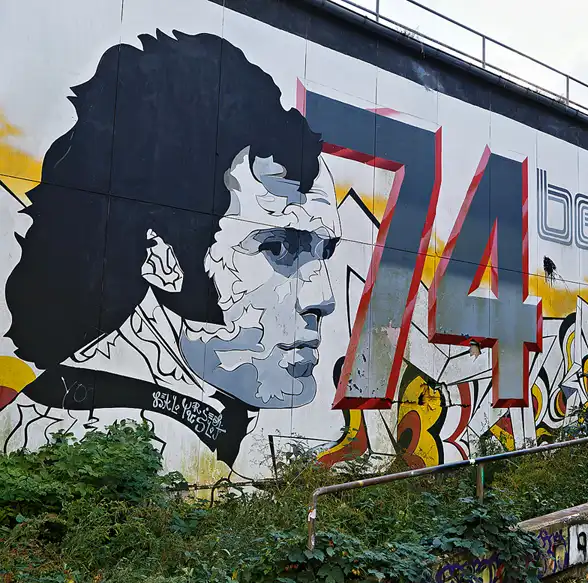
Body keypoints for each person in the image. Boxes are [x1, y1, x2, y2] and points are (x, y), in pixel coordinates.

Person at [4, 31, 341, 466]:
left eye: (325, 251)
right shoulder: (65, 426)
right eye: (277, 248)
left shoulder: (213, 416)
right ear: (160, 257)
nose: (323, 298)